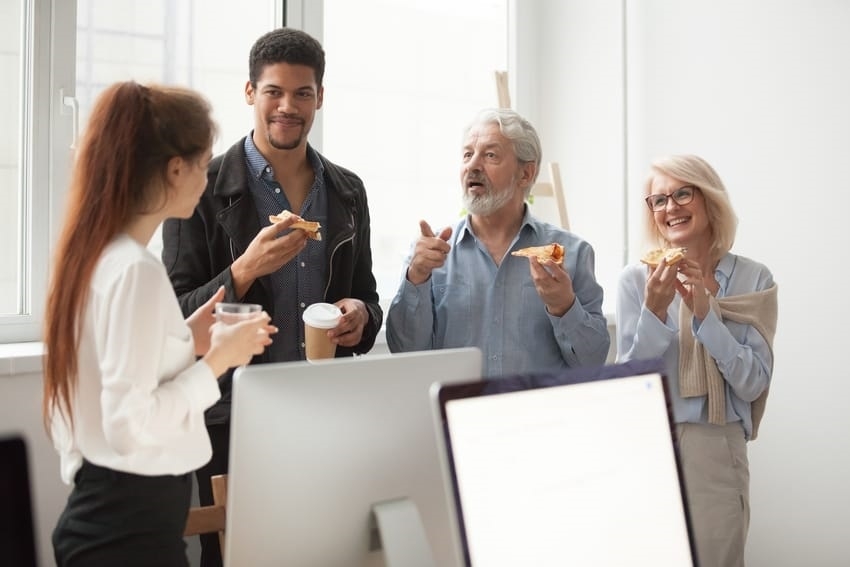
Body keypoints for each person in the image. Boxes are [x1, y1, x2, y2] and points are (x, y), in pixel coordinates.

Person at [161, 27, 382, 566]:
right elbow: (173, 319)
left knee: (325, 551)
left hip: (325, 412)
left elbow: (368, 299)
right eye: (273, 92)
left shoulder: (348, 192)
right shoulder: (201, 187)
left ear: (320, 98)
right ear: (249, 94)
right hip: (230, 416)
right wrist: (242, 270)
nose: (288, 106)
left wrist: (361, 315)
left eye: (302, 93)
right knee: (233, 556)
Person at [43, 81, 277, 567]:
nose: (207, 180)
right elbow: (130, 424)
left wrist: (182, 339)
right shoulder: (135, 270)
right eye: (203, 165)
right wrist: (217, 362)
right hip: (128, 531)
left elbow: (111, 379)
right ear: (175, 169)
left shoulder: (100, 256)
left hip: (110, 517)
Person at [615, 154, 778, 567]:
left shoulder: (754, 280)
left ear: (708, 199)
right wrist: (654, 311)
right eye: (659, 200)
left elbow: (753, 383)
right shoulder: (635, 281)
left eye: (682, 193)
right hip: (651, 443)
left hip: (716, 446)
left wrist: (707, 313)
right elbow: (626, 386)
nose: (671, 207)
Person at [386, 107, 610, 377]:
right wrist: (417, 277)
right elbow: (405, 354)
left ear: (526, 174)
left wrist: (564, 306)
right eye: (468, 154)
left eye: (490, 155)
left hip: (540, 415)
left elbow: (592, 362)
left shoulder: (572, 254)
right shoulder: (430, 254)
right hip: (458, 415)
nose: (473, 165)